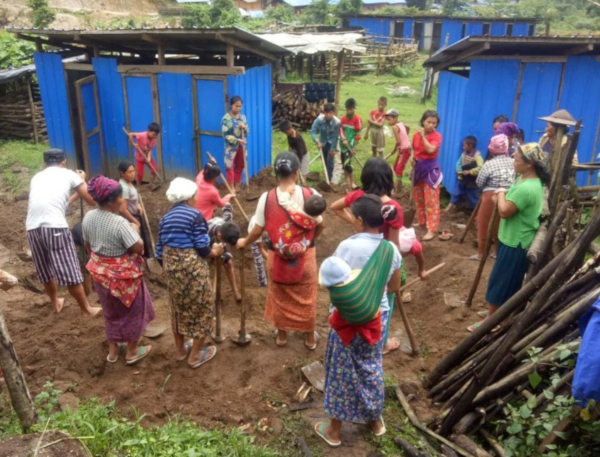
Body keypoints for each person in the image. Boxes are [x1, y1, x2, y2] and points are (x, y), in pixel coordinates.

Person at [314, 195, 402, 448]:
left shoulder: (347, 247)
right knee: (371, 366)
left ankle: (334, 431)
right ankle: (375, 422)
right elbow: (394, 287)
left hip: (346, 321)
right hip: (377, 318)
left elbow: (331, 281)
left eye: (353, 216)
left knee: (340, 371)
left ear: (360, 220)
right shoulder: (391, 250)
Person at [237, 152, 324, 350]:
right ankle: (310, 339)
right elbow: (321, 224)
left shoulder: (267, 198)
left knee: (280, 296)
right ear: (296, 172)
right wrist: (309, 241)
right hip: (305, 257)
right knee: (307, 297)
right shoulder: (311, 194)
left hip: (278, 257)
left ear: (277, 174)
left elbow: (257, 229)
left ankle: (282, 337)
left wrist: (245, 241)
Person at [468, 143, 549, 332]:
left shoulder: (527, 187)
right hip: (512, 237)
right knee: (503, 278)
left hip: (516, 241)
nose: (513, 162)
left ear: (529, 163)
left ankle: (492, 321)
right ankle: (496, 311)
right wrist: (503, 194)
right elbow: (510, 200)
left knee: (502, 281)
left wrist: (500, 196)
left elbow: (504, 211)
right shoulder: (525, 178)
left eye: (517, 159)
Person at [330, 157, 404, 354]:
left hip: (360, 256)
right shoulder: (393, 208)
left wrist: (355, 223)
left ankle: (354, 337)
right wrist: (396, 261)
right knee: (385, 300)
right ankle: (382, 342)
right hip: (384, 260)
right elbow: (395, 243)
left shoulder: (358, 197)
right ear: (388, 179)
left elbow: (334, 206)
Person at [83, 176, 155, 365]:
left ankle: (113, 351)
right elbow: (138, 248)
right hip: (123, 277)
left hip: (100, 274)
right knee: (134, 311)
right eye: (121, 197)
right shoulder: (120, 223)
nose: (123, 201)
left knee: (111, 311)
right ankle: (132, 351)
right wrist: (135, 231)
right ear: (111, 201)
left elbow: (88, 245)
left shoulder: (88, 217)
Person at [156, 178, 225, 368]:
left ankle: (180, 352)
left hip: (172, 271)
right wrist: (214, 252)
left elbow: (159, 252)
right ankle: (194, 356)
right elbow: (202, 248)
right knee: (203, 309)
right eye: (195, 196)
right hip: (192, 270)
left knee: (178, 309)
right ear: (189, 198)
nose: (196, 199)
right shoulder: (195, 216)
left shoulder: (165, 219)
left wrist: (172, 269)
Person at [26, 149, 101, 318]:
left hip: (32, 227)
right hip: (55, 227)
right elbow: (91, 200)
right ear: (63, 163)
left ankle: (56, 302)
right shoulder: (69, 174)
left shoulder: (36, 177)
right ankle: (86, 309)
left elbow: (56, 203)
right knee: (70, 270)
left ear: (44, 164)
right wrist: (82, 181)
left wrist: (74, 195)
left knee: (45, 269)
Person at [473, 134, 515, 260]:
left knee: (484, 225)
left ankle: (481, 254)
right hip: (509, 196)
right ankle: (496, 252)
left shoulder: (489, 164)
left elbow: (479, 182)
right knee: (500, 225)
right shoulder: (513, 162)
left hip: (490, 197)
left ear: (491, 150)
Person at [412, 110, 443, 241]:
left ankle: (432, 229)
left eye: (434, 123)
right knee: (419, 197)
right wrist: (413, 158)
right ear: (423, 121)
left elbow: (430, 149)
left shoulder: (437, 136)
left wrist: (423, 137)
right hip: (418, 168)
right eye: (429, 122)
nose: (431, 125)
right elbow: (413, 148)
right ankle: (422, 221)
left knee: (431, 200)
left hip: (430, 169)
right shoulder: (415, 135)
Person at [207, 203, 242, 302]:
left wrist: (227, 202)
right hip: (207, 244)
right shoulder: (205, 233)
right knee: (215, 263)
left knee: (228, 263)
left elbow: (227, 208)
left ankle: (235, 290)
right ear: (220, 236)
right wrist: (213, 254)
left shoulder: (228, 224)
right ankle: (213, 292)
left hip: (219, 239)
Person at [118, 161, 150, 257]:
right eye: (130, 172)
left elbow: (132, 199)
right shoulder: (125, 188)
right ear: (122, 173)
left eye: (133, 171)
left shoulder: (128, 183)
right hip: (130, 219)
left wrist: (138, 204)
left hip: (134, 215)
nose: (133, 174)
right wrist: (135, 222)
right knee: (135, 244)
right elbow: (122, 209)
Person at [445, 136, 482, 212]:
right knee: (456, 192)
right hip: (463, 178)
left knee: (472, 195)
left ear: (470, 146)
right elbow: (458, 163)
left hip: (472, 180)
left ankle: (476, 212)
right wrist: (459, 171)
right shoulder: (463, 154)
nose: (463, 147)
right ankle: (449, 207)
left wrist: (470, 172)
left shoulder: (477, 156)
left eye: (464, 145)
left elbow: (480, 167)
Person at [221, 95, 248, 187]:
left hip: (241, 146)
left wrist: (244, 128)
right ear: (231, 105)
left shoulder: (243, 118)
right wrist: (237, 140)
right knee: (229, 166)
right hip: (231, 147)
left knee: (240, 166)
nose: (238, 108)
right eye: (236, 106)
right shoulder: (226, 119)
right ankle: (231, 187)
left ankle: (237, 185)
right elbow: (225, 135)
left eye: (240, 106)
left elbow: (247, 132)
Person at [311, 103, 341, 183]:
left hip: (331, 142)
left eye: (330, 113)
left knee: (330, 161)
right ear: (324, 113)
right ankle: (326, 175)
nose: (328, 115)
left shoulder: (337, 122)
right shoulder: (319, 119)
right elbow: (313, 131)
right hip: (322, 142)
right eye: (326, 113)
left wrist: (333, 148)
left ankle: (329, 179)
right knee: (324, 160)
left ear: (333, 113)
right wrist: (317, 141)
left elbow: (335, 136)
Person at [385, 109, 411, 197]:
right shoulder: (400, 123)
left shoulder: (395, 127)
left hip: (405, 150)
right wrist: (405, 137)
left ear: (395, 118)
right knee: (395, 167)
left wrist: (394, 150)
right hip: (403, 150)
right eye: (387, 120)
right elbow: (408, 127)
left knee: (399, 169)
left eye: (389, 119)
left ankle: (397, 191)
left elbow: (398, 142)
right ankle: (399, 185)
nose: (388, 122)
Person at [339, 98, 363, 190]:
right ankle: (346, 180)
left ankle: (353, 182)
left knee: (347, 163)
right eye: (348, 109)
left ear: (353, 108)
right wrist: (343, 138)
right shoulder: (343, 118)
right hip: (343, 144)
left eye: (351, 109)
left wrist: (355, 147)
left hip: (351, 145)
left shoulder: (357, 119)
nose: (349, 111)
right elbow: (341, 130)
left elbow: (358, 134)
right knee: (343, 163)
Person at [127, 123, 160, 187]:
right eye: (154, 134)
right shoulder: (141, 135)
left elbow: (150, 149)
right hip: (139, 158)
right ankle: (138, 187)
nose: (155, 136)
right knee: (139, 175)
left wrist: (149, 157)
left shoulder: (153, 139)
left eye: (156, 135)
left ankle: (151, 184)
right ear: (149, 130)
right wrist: (133, 144)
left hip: (147, 157)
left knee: (154, 170)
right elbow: (130, 134)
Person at [71, 222, 92, 296]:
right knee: (86, 267)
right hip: (76, 244)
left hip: (85, 242)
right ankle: (87, 291)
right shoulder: (82, 231)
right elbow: (87, 246)